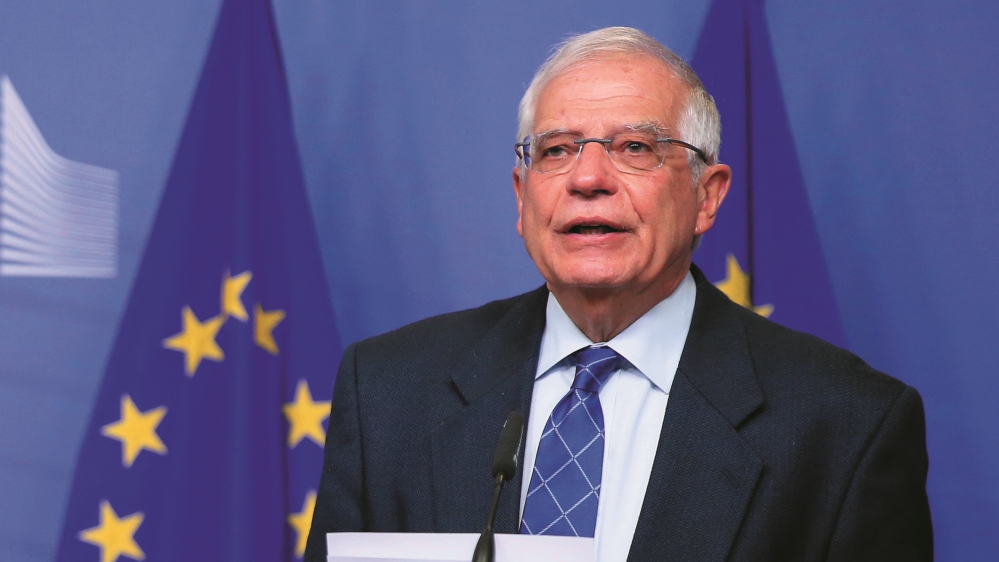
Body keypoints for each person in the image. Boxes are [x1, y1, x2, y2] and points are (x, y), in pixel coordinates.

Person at [305, 27, 931, 562]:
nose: (587, 178)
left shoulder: (846, 426)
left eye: (635, 147)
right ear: (522, 198)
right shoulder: (388, 392)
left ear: (707, 196)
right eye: (557, 150)